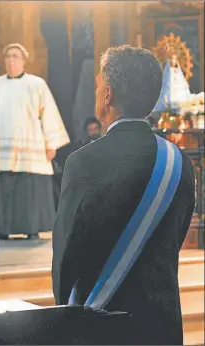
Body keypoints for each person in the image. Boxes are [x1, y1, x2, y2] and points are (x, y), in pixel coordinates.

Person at [52, 45, 196, 345]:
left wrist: (64, 312)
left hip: (102, 326)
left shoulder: (84, 161)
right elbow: (176, 237)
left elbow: (66, 254)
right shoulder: (178, 161)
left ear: (107, 95)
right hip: (161, 323)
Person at [0, 43, 69, 240]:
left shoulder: (36, 84)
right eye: (8, 56)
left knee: (28, 191)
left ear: (24, 60)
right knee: (1, 189)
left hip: (28, 150)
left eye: (16, 56)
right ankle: (2, 229)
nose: (11, 60)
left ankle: (31, 228)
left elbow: (48, 113)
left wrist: (51, 143)